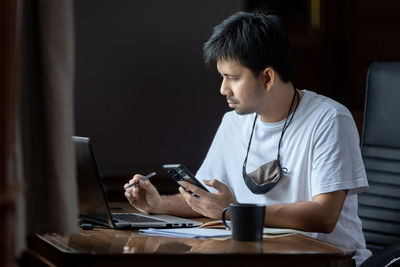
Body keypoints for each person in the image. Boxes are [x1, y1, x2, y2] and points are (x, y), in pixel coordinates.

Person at [124, 11, 371, 266]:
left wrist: (232, 211)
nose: (223, 89)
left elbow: (325, 215)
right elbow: (210, 201)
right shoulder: (233, 123)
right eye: (222, 77)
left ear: (266, 78)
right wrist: (157, 204)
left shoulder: (329, 119)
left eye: (232, 77)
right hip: (258, 256)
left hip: (327, 261)